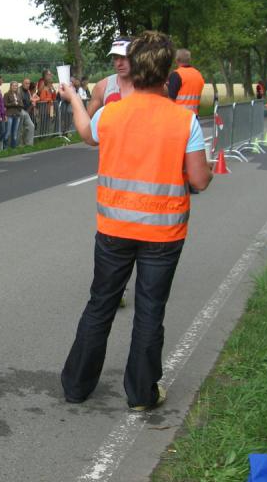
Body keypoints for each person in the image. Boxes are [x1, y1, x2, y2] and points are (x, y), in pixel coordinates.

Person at [57, 30, 212, 410]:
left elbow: (86, 133)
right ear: (167, 74)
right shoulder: (184, 121)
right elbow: (199, 180)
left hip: (114, 229)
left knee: (101, 304)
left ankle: (76, 386)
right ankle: (142, 393)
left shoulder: (111, 113)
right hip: (164, 233)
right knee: (149, 310)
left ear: (135, 68)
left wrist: (74, 99)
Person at [87, 37, 134, 117]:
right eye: (115, 58)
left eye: (124, 57)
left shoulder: (149, 84)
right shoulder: (102, 87)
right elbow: (87, 121)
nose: (119, 63)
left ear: (135, 57)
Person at [166, 48, 205, 115]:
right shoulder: (198, 75)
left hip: (179, 116)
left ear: (177, 60)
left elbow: (170, 99)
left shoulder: (176, 75)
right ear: (189, 60)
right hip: (193, 116)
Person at [3, 81, 22, 149]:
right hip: (9, 115)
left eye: (16, 86)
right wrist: (13, 104)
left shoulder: (19, 95)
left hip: (17, 115)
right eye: (13, 85)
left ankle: (13, 147)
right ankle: (5, 148)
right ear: (10, 86)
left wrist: (19, 106)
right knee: (8, 132)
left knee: (15, 133)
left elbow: (21, 104)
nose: (15, 87)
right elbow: (5, 104)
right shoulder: (6, 94)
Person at [19, 78, 35, 146]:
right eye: (26, 83)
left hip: (25, 111)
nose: (28, 85)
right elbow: (20, 104)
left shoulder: (28, 91)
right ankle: (19, 145)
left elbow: (30, 100)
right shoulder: (19, 91)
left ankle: (29, 144)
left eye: (29, 83)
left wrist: (32, 103)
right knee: (20, 129)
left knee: (31, 126)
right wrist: (31, 105)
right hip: (19, 111)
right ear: (22, 83)